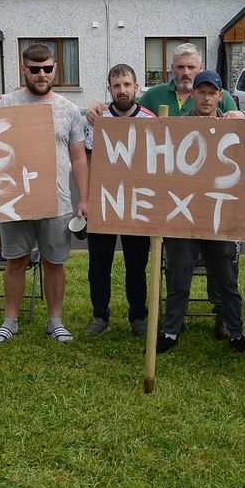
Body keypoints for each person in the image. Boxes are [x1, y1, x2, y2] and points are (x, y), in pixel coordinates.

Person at [86, 43, 242, 340]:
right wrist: (95, 107)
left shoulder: (222, 103)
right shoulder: (154, 98)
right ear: (173, 70)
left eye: (191, 67)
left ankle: (224, 320)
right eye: (181, 67)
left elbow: (238, 135)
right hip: (162, 205)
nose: (186, 72)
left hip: (211, 203)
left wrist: (239, 115)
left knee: (220, 266)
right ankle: (168, 321)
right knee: (172, 266)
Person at [0, 43, 89, 344]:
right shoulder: (5, 103)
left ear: (55, 69)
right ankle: (10, 321)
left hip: (57, 200)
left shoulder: (69, 109)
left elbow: (78, 158)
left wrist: (83, 199)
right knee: (16, 260)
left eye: (47, 68)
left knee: (54, 262)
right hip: (14, 199)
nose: (41, 74)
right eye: (34, 69)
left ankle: (56, 321)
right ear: (24, 70)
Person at [156, 69, 245, 357]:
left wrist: (243, 218)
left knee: (227, 279)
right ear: (193, 94)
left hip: (221, 217)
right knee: (179, 277)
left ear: (220, 96)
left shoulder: (233, 131)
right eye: (201, 91)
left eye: (212, 92)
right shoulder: (175, 128)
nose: (206, 97)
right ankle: (171, 332)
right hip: (183, 216)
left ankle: (235, 333)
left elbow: (244, 179)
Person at [83, 64, 155, 338]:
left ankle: (138, 316)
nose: (122, 90)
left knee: (136, 264)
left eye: (127, 84)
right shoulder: (96, 120)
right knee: (98, 264)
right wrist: (87, 198)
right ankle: (100, 316)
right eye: (116, 85)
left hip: (139, 203)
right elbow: (87, 160)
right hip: (104, 201)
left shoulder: (150, 119)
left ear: (136, 87)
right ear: (109, 89)